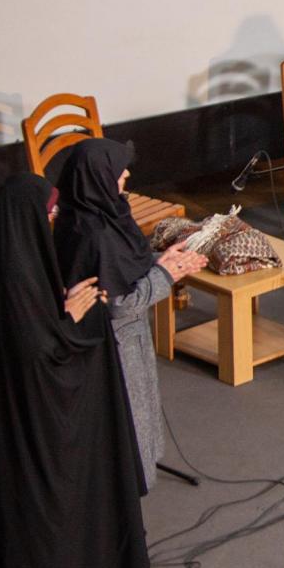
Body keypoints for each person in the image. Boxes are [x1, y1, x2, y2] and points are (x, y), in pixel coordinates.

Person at [0, 174, 150, 568]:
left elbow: (27, 322)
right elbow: (36, 352)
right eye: (50, 213)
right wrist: (74, 319)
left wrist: (58, 308)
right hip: (27, 427)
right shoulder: (12, 270)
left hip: (0, 412)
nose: (54, 219)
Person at [54, 138, 206, 490]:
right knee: (127, 421)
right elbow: (121, 303)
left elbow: (123, 264)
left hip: (122, 339)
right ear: (99, 177)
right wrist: (167, 274)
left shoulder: (91, 214)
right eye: (119, 171)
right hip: (115, 345)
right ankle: (127, 490)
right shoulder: (95, 234)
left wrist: (160, 260)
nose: (126, 174)